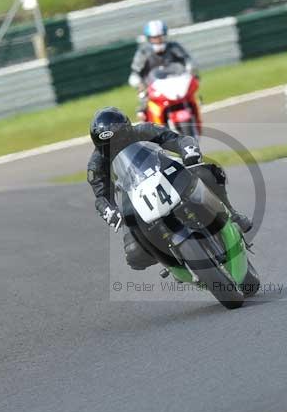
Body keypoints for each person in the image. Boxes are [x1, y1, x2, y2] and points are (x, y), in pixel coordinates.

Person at [87, 107, 252, 270]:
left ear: (128, 130)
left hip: (165, 173)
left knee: (208, 173)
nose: (116, 147)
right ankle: (170, 262)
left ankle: (232, 212)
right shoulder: (96, 164)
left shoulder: (144, 130)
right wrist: (110, 211)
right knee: (134, 253)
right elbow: (101, 196)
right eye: (109, 146)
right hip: (134, 197)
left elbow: (177, 139)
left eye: (121, 140)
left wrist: (188, 151)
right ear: (99, 145)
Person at [128, 20, 195, 121]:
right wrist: (138, 82)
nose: (158, 40)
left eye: (160, 37)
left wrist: (190, 69)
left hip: (175, 83)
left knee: (191, 96)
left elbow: (187, 61)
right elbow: (135, 72)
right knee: (143, 106)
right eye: (154, 38)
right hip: (153, 88)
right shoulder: (143, 52)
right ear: (149, 39)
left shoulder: (174, 47)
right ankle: (146, 119)